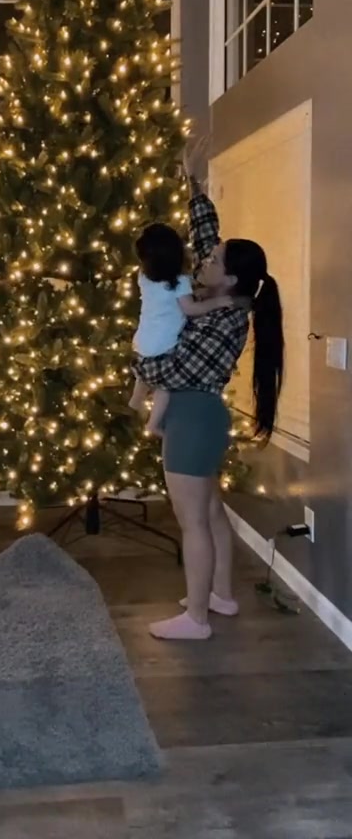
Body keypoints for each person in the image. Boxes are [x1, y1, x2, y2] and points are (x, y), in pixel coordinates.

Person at [135, 139, 284, 641]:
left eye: (213, 260)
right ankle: (220, 595)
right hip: (199, 418)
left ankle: (196, 619)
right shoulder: (221, 293)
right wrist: (193, 181)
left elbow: (176, 372)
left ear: (230, 278)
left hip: (193, 417)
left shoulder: (226, 318)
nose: (203, 259)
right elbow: (205, 235)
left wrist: (139, 364)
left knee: (192, 521)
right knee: (212, 511)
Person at [129, 222, 232, 435]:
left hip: (143, 339)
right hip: (163, 344)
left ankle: (135, 400)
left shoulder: (144, 276)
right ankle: (153, 424)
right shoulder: (179, 282)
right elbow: (191, 309)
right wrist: (217, 302)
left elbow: (169, 298)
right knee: (165, 386)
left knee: (144, 372)